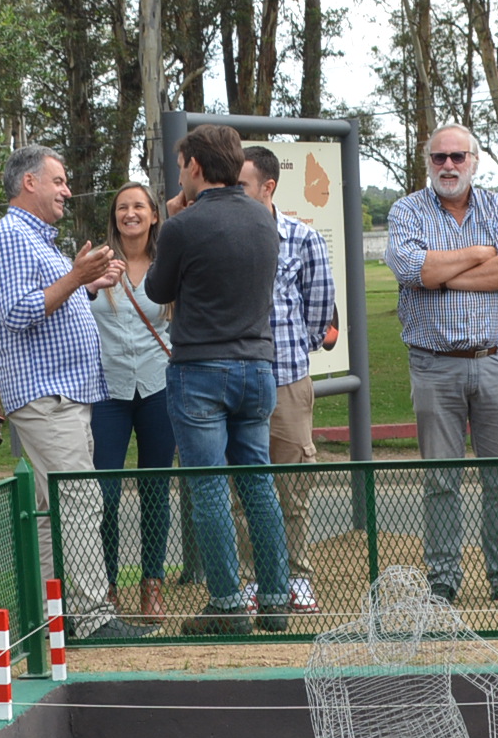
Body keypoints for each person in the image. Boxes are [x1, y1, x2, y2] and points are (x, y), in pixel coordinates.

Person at [0, 143, 152, 641]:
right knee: (77, 501)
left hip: (64, 395)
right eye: (58, 181)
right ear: (29, 182)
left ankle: (50, 616)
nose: (67, 190)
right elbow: (19, 311)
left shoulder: (35, 239)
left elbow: (53, 300)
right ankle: (92, 617)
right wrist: (77, 275)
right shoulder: (8, 236)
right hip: (46, 394)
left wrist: (88, 283)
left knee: (56, 510)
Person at [384, 123, 498, 601]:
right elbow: (413, 269)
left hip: (495, 362)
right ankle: (443, 580)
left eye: (457, 156)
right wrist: (477, 254)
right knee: (440, 480)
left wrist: (442, 275)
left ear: (474, 160)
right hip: (434, 365)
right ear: (427, 162)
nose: (448, 165)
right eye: (439, 158)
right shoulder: (406, 210)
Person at [147, 124, 288, 634]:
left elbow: (157, 286)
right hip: (257, 365)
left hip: (201, 368)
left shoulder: (185, 226)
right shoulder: (263, 218)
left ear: (197, 167)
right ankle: (275, 599)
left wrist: (171, 222)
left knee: (208, 487)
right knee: (259, 484)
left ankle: (228, 605)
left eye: (182, 165)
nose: (180, 173)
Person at [244, 145, 339, 612]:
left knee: (293, 487)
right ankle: (248, 582)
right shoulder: (225, 236)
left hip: (286, 381)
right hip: (237, 380)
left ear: (268, 187)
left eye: (242, 185)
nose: (233, 194)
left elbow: (320, 310)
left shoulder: (302, 238)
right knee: (241, 487)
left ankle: (297, 577)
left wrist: (289, 349)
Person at [85, 181, 176, 619]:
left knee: (156, 488)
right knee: (105, 491)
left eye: (139, 206)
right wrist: (88, 283)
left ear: (153, 215)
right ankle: (107, 583)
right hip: (108, 390)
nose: (130, 213)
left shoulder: (168, 265)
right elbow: (74, 313)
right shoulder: (95, 264)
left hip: (159, 387)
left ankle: (152, 583)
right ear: (114, 217)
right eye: (123, 207)